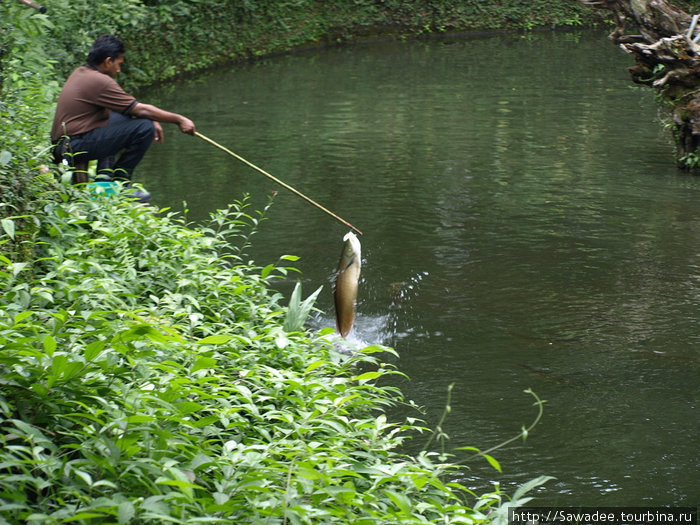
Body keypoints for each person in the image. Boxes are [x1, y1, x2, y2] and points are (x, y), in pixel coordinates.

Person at [51, 34, 196, 198]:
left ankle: (104, 175)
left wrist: (152, 117)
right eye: (118, 64)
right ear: (108, 61)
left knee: (123, 118)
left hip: (64, 144)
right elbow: (139, 109)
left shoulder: (82, 72)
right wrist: (179, 119)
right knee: (144, 127)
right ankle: (121, 182)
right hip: (70, 148)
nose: (119, 70)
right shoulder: (100, 81)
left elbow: (126, 108)